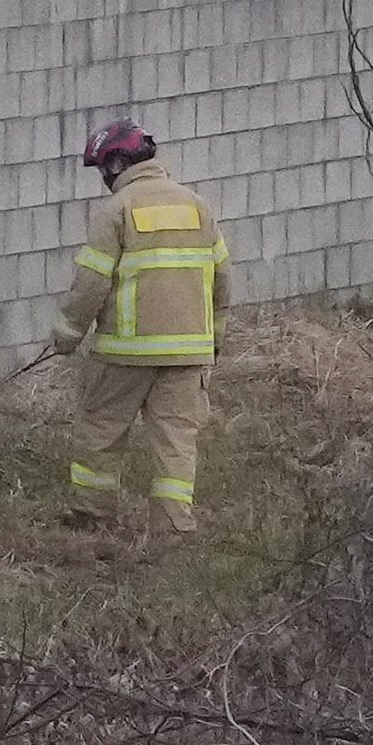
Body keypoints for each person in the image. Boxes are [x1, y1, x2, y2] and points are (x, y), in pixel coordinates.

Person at [52, 118, 230, 540]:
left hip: (125, 352)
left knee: (100, 430)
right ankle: (172, 532)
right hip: (189, 354)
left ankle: (93, 520)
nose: (102, 180)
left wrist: (66, 335)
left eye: (101, 170)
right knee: (176, 444)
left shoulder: (117, 210)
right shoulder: (197, 206)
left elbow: (92, 281)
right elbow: (222, 280)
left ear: (116, 164)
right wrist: (213, 341)